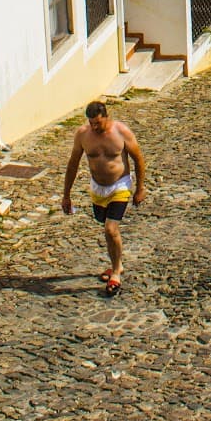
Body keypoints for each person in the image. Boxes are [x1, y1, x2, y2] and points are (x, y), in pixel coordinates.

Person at [61, 101, 147, 296]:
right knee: (105, 226)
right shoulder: (83, 135)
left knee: (110, 229)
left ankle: (116, 273)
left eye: (98, 123)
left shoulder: (121, 132)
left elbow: (138, 159)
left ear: (106, 117)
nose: (95, 127)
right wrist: (66, 195)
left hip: (120, 185)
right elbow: (72, 164)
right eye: (91, 123)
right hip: (98, 189)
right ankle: (117, 263)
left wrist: (140, 188)